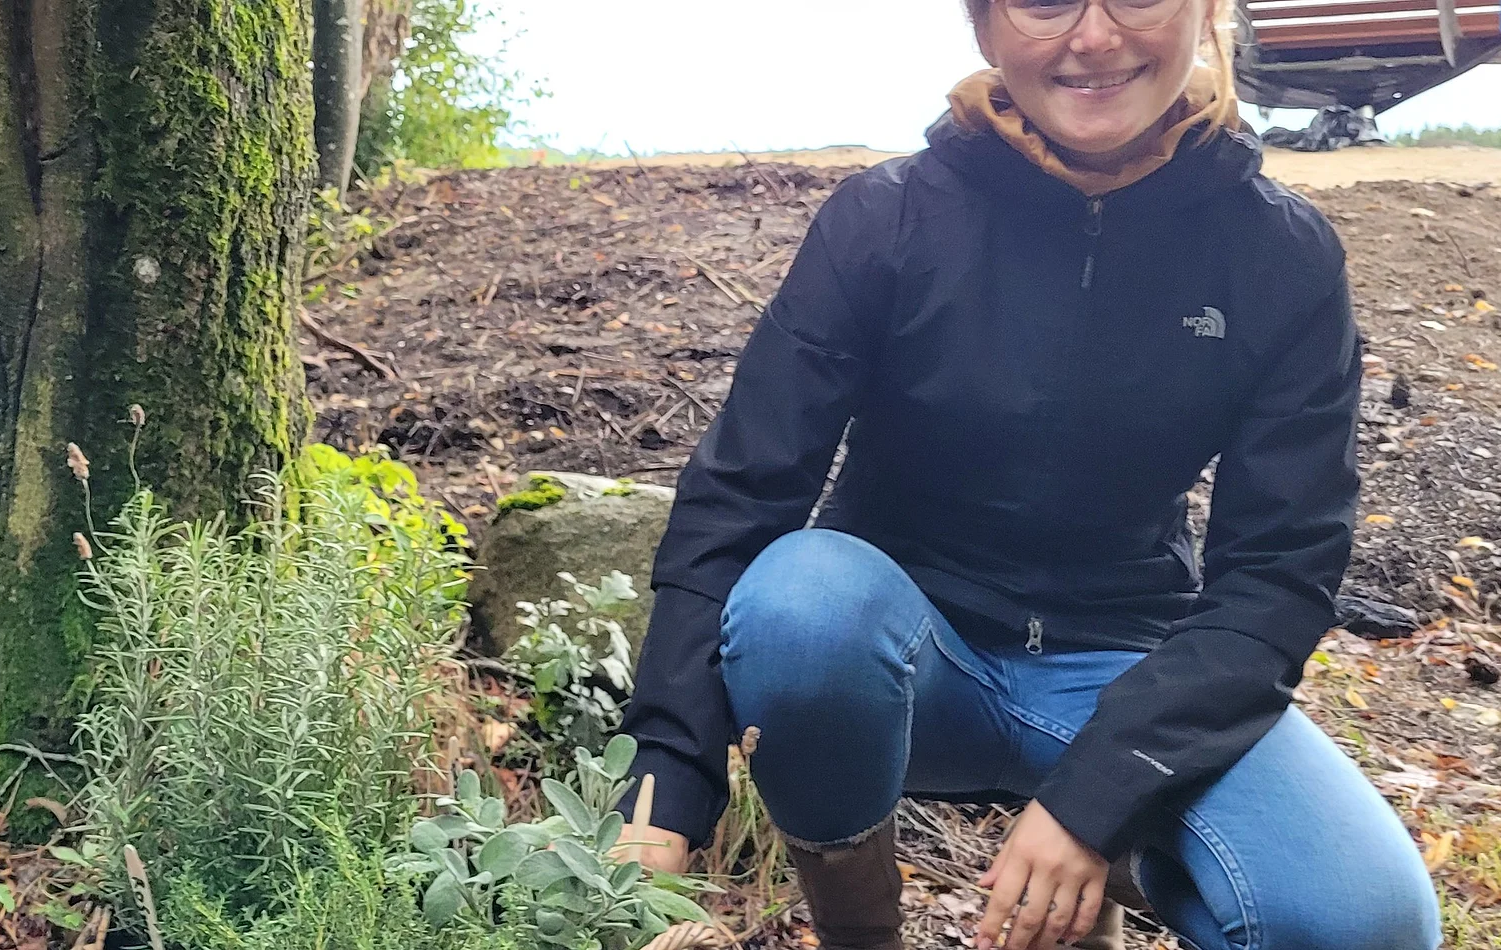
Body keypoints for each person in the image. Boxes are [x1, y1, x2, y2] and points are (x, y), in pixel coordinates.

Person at [608, 2, 1443, 949]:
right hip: (897, 658)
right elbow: (741, 495)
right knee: (801, 604)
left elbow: (1279, 576)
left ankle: (1115, 869)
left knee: (1365, 921)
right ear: (984, 27)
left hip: (1129, 663)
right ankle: (860, 932)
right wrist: (666, 775)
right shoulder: (886, 219)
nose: (1094, 37)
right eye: (1045, 0)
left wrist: (1099, 796)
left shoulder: (1281, 254)